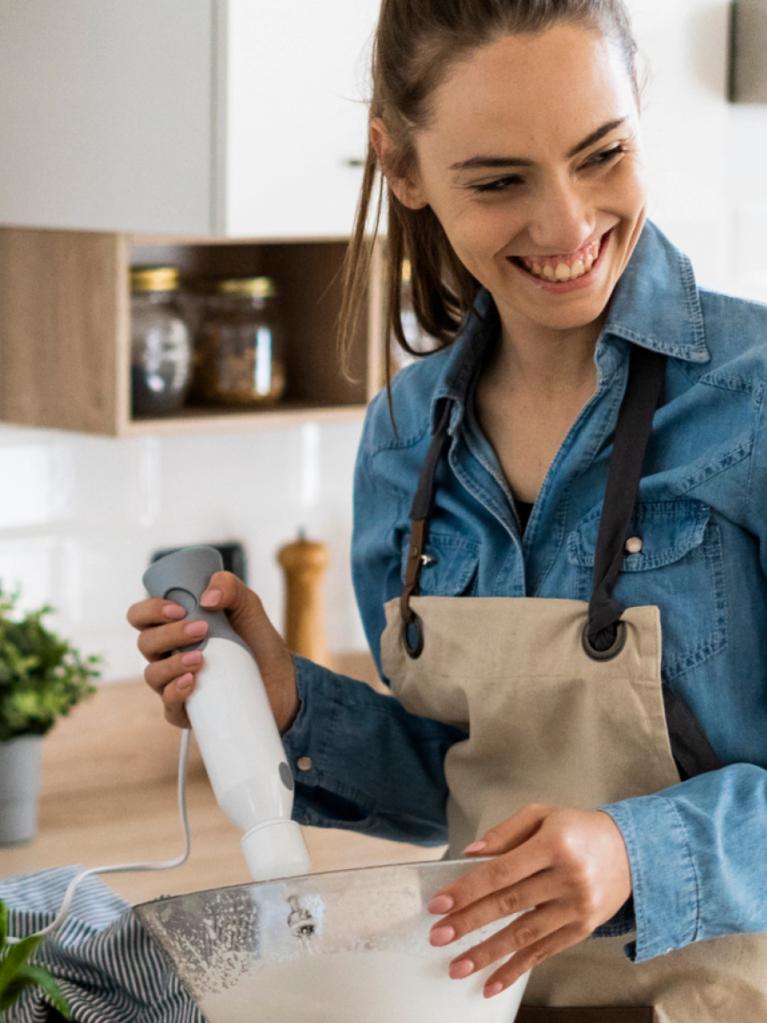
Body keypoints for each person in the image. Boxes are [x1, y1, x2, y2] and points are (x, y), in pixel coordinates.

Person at [127, 0, 767, 1017]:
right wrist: (288, 701)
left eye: (599, 155)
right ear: (402, 167)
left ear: (637, 109)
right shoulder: (402, 441)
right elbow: (460, 781)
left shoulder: (753, 393)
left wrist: (634, 853)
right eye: (500, 180)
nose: (564, 225)